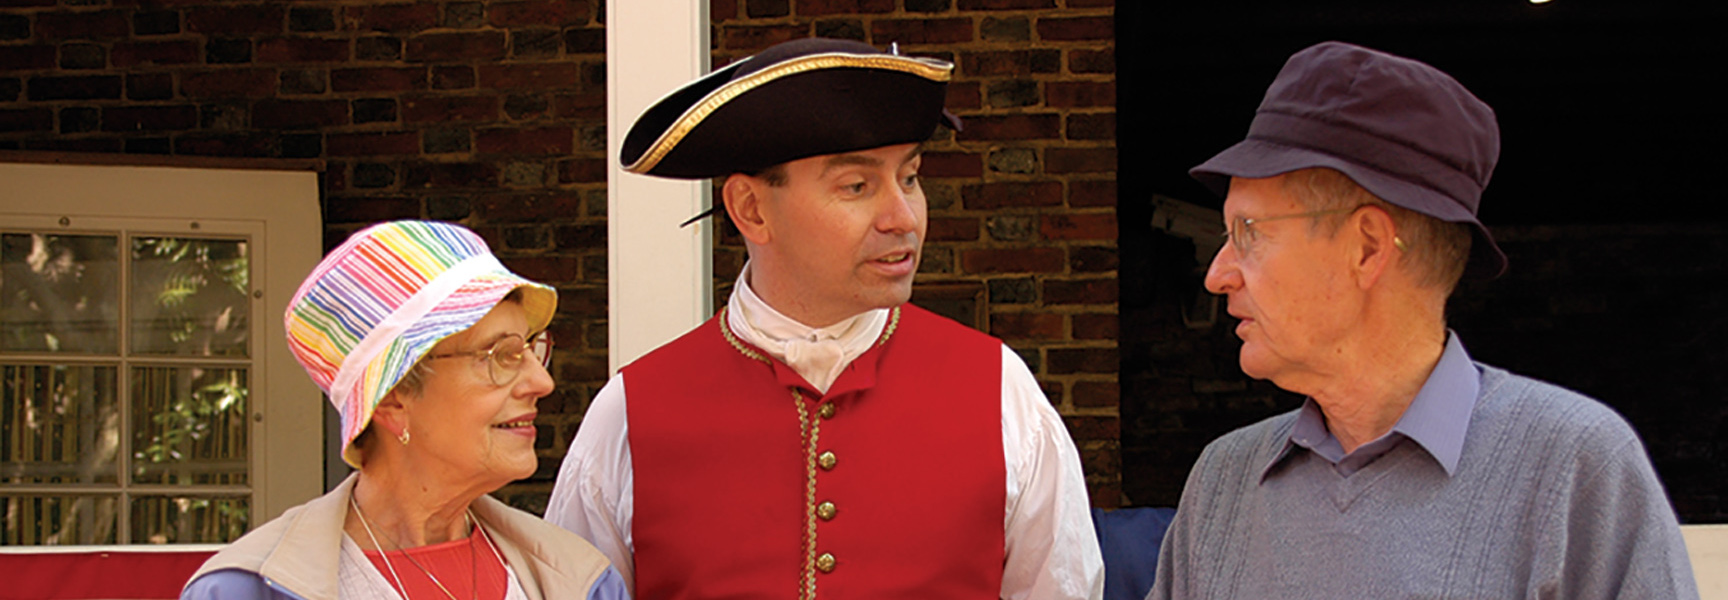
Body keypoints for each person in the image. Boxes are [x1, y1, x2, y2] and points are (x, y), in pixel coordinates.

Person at [545, 38, 1104, 599]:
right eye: (857, 187)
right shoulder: (628, 416)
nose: (902, 216)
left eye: (909, 178)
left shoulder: (1001, 391)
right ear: (752, 209)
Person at [1148, 41, 1699, 599]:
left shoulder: (1574, 468)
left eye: (1249, 232)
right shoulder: (1224, 481)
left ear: (1366, 249)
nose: (1218, 275)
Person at [182, 220, 627, 600]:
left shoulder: (581, 582)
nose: (541, 383)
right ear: (392, 398)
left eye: (533, 350)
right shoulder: (250, 591)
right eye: (501, 355)